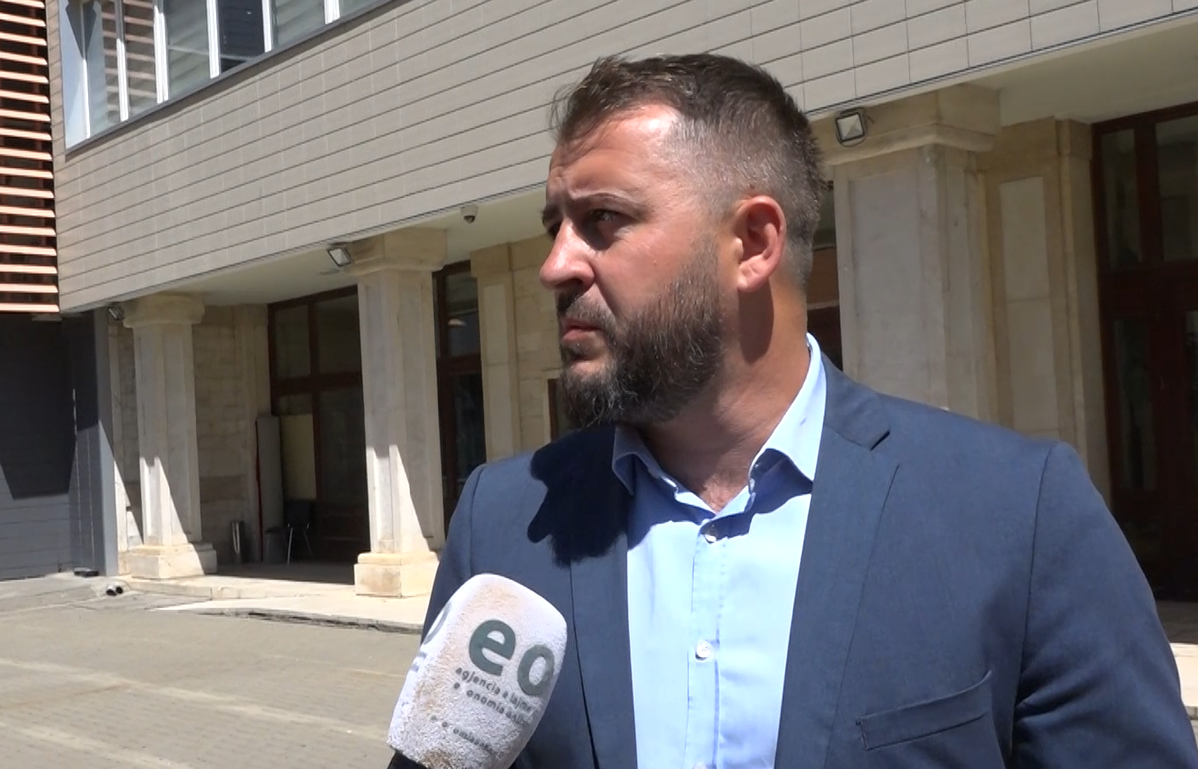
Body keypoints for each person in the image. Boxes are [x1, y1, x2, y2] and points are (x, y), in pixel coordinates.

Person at [392, 53, 1198, 768]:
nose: (555, 264)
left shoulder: (1017, 515)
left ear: (752, 242)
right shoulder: (505, 520)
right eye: (555, 226)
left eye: (603, 220)